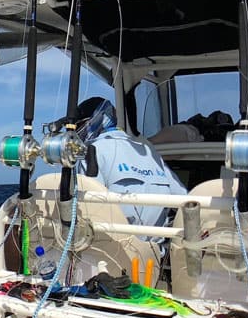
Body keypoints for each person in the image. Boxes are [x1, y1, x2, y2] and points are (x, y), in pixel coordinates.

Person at [75, 96, 187, 228]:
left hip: (117, 244)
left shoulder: (92, 152)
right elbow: (184, 198)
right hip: (158, 245)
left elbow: (90, 208)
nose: (78, 131)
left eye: (80, 125)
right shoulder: (148, 150)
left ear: (98, 119)